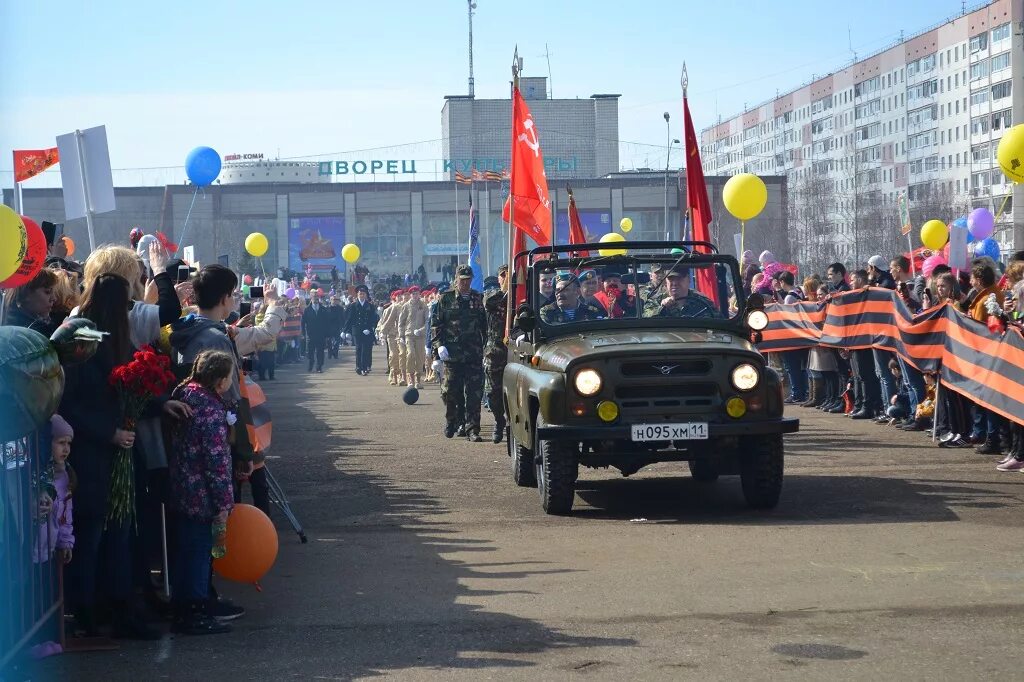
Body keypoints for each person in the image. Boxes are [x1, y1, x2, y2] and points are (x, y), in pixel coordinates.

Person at [168, 350, 236, 635]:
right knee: (199, 553)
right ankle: (195, 611)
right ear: (220, 381)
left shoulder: (186, 394)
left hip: (182, 486)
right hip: (202, 493)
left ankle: (183, 606)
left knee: (185, 550)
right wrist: (224, 501)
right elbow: (216, 459)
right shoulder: (209, 409)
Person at [431, 265, 487, 441]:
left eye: (468, 280)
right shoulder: (445, 299)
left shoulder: (478, 298)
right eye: (462, 280)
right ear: (456, 279)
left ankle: (472, 428)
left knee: (474, 392)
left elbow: (485, 326)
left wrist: (485, 347)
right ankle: (453, 420)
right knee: (450, 392)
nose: (465, 283)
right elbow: (436, 325)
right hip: (452, 354)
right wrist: (438, 347)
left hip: (473, 353)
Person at [483, 266, 510, 443]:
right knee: (493, 392)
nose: (506, 277)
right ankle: (499, 421)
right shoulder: (493, 295)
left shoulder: (522, 293)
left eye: (509, 274)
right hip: (496, 352)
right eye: (503, 275)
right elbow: (488, 303)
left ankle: (511, 424)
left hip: (517, 350)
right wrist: (506, 290)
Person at [643, 265, 719, 318]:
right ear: (666, 281)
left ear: (689, 279)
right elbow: (645, 319)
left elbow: (719, 322)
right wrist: (662, 308)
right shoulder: (655, 301)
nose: (675, 283)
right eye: (671, 279)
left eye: (679, 278)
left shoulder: (703, 303)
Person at [2, 268, 58, 335]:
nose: (54, 298)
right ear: (25, 293)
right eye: (47, 292)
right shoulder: (34, 329)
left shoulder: (6, 319)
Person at [540, 273, 606, 324]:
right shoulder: (547, 312)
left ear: (577, 292)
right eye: (557, 290)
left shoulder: (591, 311)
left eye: (565, 290)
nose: (560, 294)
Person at [399, 286, 428, 388]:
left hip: (420, 336)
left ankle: (418, 380)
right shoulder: (406, 306)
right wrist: (401, 336)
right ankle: (410, 379)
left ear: (419, 294)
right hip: (409, 335)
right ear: (410, 295)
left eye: (417, 293)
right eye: (413, 294)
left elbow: (428, 321)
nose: (415, 296)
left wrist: (421, 330)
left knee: (420, 357)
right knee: (410, 354)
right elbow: (401, 322)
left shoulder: (424, 306)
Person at [345, 284, 378, 375]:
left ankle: (364, 367)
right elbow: (350, 319)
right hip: (357, 330)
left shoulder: (370, 306)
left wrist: (370, 328)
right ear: (357, 295)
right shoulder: (353, 306)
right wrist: (346, 331)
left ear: (366, 295)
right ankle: (358, 366)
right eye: (360, 294)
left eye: (363, 294)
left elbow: (373, 318)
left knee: (365, 349)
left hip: (367, 330)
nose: (362, 295)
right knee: (358, 348)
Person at [301, 289, 330, 373]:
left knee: (320, 352)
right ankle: (311, 363)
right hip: (310, 335)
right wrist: (303, 333)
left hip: (321, 335)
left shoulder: (323, 309)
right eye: (314, 296)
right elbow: (303, 323)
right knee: (310, 352)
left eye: (317, 296)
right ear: (311, 297)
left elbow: (327, 322)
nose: (315, 298)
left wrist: (327, 335)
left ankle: (319, 367)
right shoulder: (307, 310)